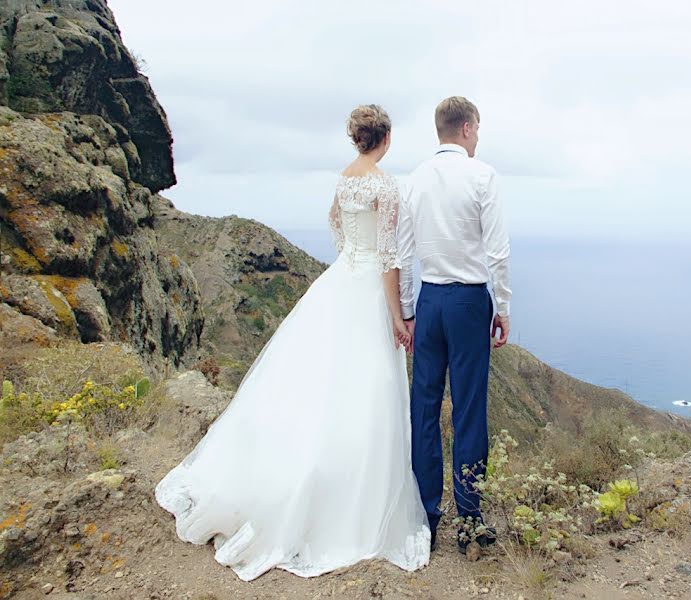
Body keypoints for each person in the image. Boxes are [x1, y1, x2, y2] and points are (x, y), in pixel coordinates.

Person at [155, 105, 430, 581]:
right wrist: (398, 315)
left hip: (341, 279)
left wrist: (349, 258)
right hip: (367, 291)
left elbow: (336, 225)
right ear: (385, 138)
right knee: (365, 393)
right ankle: (348, 501)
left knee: (315, 385)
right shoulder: (386, 185)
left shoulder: (345, 178)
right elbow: (389, 257)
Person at [398, 96, 512, 553]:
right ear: (466, 128)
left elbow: (404, 254)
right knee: (467, 409)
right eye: (478, 128)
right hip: (468, 303)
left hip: (429, 301)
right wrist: (501, 308)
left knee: (423, 408)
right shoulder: (483, 175)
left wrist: (408, 311)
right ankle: (469, 517)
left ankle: (425, 516)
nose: (478, 136)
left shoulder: (414, 180)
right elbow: (498, 252)